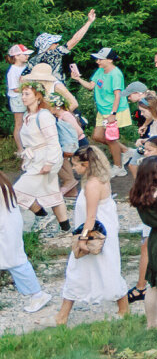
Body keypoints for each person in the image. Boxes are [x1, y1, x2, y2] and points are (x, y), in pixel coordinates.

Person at [55, 146, 130, 325]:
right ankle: (63, 315)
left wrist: (82, 239)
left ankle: (63, 316)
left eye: (76, 165)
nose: (73, 168)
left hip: (94, 234)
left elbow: (91, 217)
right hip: (103, 232)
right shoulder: (100, 180)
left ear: (86, 164)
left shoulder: (92, 185)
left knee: (86, 269)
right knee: (103, 268)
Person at [14, 80, 71, 233]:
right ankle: (65, 227)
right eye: (22, 94)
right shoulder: (27, 115)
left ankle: (42, 216)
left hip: (45, 158)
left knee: (16, 192)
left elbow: (53, 141)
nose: (23, 97)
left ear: (37, 96)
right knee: (51, 192)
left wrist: (49, 163)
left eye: (27, 94)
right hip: (35, 159)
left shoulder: (44, 116)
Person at [67, 48, 130, 175]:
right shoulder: (100, 70)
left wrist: (113, 114)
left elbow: (117, 95)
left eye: (101, 59)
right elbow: (91, 86)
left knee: (111, 139)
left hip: (113, 110)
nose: (97, 61)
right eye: (97, 59)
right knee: (97, 136)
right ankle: (126, 151)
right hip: (102, 110)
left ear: (110, 60)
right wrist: (78, 79)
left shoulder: (116, 74)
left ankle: (119, 168)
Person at [0, 173, 51, 315]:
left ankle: (38, 295)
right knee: (14, 260)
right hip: (9, 223)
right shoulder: (3, 179)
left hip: (6, 228)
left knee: (16, 263)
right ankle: (36, 294)